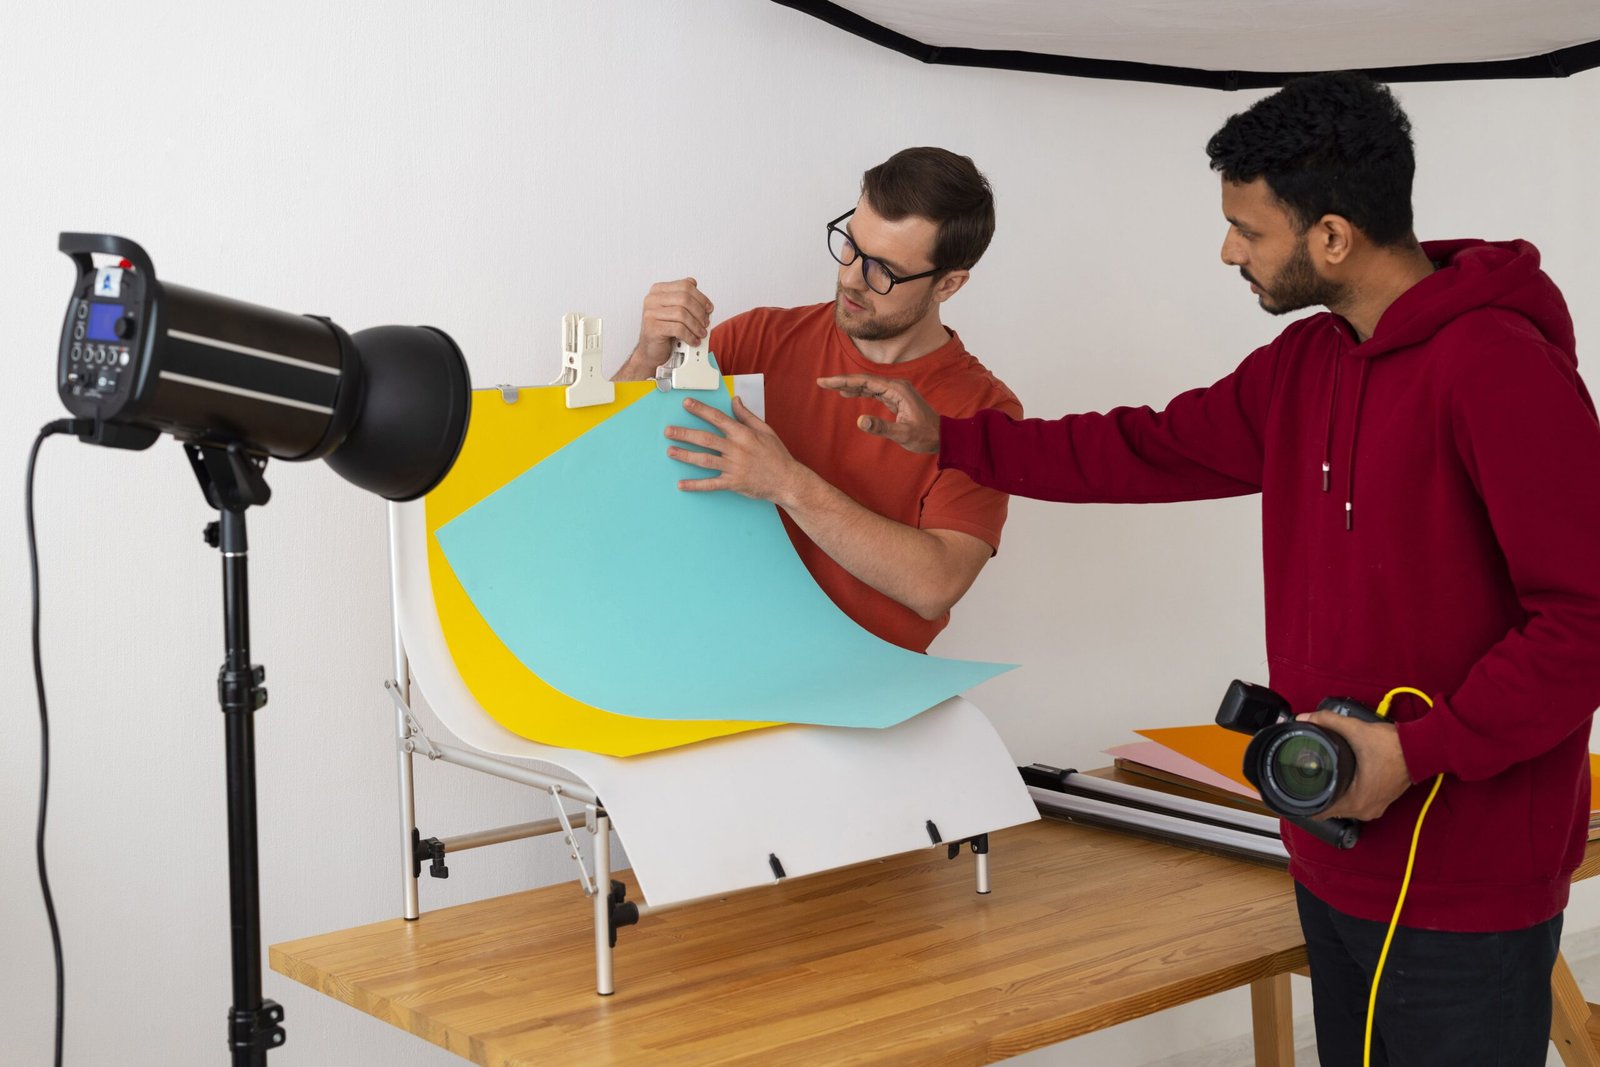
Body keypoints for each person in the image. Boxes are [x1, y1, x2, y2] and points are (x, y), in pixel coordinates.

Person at [823, 73, 1600, 1064]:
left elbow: (1584, 622)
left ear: (1332, 236)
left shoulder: (1500, 367)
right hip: (1331, 846)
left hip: (1465, 880)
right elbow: (1145, 448)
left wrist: (1414, 752)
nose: (1229, 250)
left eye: (1248, 228)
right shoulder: (1306, 363)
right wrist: (954, 438)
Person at [614, 147, 1021, 653]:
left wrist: (787, 483)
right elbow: (608, 470)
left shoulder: (982, 411)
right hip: (715, 653)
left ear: (949, 284)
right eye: (850, 245)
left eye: (883, 271)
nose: (850, 278)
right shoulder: (757, 339)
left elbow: (935, 586)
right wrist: (646, 357)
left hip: (870, 680)